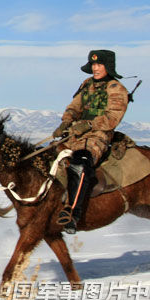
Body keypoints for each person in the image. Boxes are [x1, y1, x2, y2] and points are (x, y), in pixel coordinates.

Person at [52, 50, 129, 234]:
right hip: (75, 133)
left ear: (108, 66)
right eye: (93, 65)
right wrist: (66, 122)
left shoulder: (116, 89)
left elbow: (112, 118)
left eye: (99, 65)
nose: (95, 68)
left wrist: (89, 124)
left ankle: (72, 213)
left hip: (99, 136)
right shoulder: (86, 84)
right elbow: (74, 106)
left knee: (81, 162)